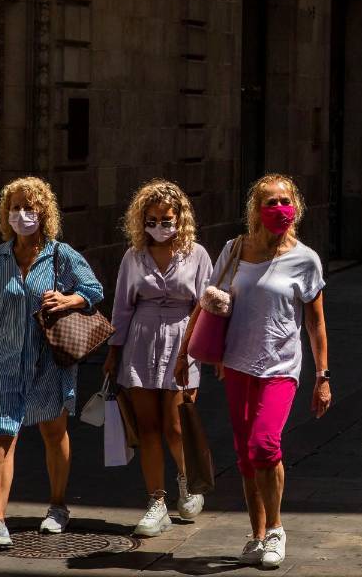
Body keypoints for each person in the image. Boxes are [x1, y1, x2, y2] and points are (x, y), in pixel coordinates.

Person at [177, 174, 329, 570]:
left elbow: (315, 324)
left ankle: (276, 530)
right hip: (236, 365)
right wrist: (184, 354)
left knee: (265, 445)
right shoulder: (234, 249)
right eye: (270, 202)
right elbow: (206, 303)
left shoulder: (305, 259)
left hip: (280, 367)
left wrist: (323, 377)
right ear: (255, 210)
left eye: (285, 201)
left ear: (295, 205)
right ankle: (257, 536)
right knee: (246, 457)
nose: (279, 209)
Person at [0, 177, 105, 548]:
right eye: (15, 207)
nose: (21, 214)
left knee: (53, 431)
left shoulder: (60, 254)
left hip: (49, 361)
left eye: (29, 207)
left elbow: (93, 290)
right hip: (4, 357)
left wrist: (68, 300)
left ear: (43, 212)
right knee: (1, 433)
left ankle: (58, 505)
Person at [104, 180, 213, 536]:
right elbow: (122, 307)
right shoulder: (133, 256)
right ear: (141, 220)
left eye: (167, 219)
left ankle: (187, 481)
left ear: (180, 218)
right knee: (147, 427)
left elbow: (205, 306)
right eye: (152, 219)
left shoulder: (196, 254)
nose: (160, 226)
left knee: (176, 424)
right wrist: (113, 352)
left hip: (182, 341)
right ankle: (156, 501)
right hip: (141, 340)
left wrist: (200, 353)